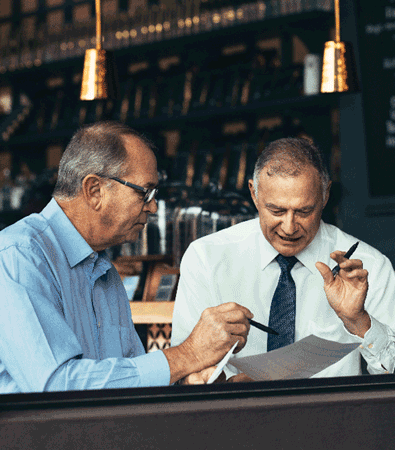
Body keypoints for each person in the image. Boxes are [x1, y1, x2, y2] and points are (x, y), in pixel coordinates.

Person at [0, 121, 251, 393]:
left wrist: (190, 380)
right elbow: (56, 386)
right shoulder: (19, 256)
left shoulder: (102, 270)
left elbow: (127, 378)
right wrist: (188, 355)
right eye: (145, 192)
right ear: (94, 190)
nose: (153, 206)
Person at [172, 137, 395, 379]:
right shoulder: (207, 258)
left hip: (334, 414)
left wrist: (359, 322)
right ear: (254, 194)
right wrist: (219, 380)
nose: (289, 227)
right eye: (276, 211)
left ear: (325, 196)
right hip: (238, 413)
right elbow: (187, 369)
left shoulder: (369, 267)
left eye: (304, 211)